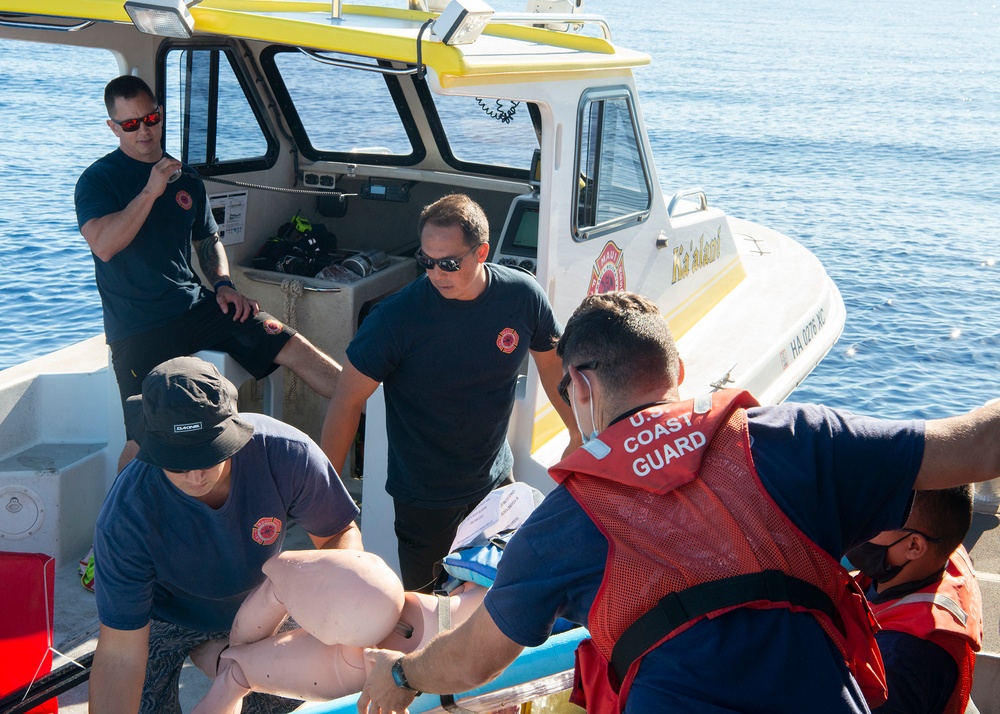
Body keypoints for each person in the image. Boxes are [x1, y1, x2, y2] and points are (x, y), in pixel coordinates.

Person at [359, 290, 1000, 714]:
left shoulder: (564, 520)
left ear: (580, 385)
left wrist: (401, 676)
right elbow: (974, 447)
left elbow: (472, 660)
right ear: (677, 374)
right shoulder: (792, 438)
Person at [75, 75, 341, 471]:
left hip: (196, 307)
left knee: (295, 347)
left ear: (160, 115)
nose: (143, 130)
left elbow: (208, 240)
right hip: (138, 327)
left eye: (150, 118)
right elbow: (105, 244)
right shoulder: (98, 180)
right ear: (113, 127)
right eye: (130, 124)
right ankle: (120, 530)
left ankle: (385, 417)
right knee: (144, 441)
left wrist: (223, 283)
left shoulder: (187, 180)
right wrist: (151, 190)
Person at [321, 193, 581, 591]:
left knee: (505, 591)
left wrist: (576, 433)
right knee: (430, 608)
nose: (436, 273)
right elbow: (347, 402)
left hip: (496, 481)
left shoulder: (522, 296)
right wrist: (328, 501)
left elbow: (551, 366)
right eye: (425, 261)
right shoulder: (394, 319)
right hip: (424, 500)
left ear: (482, 252)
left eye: (448, 263)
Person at [89, 356, 362, 714]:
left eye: (208, 457)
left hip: (262, 604)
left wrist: (344, 616)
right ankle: (214, 652)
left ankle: (222, 654)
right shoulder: (126, 515)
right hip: (161, 617)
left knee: (297, 695)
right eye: (177, 463)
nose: (195, 477)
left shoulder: (286, 454)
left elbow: (337, 536)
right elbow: (120, 654)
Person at [188, 549, 487, 714]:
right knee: (238, 673)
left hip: (402, 619)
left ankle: (226, 657)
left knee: (237, 670)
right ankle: (227, 658)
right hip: (397, 659)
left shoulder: (504, 568)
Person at [849, 487, 983, 714]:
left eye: (878, 519)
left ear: (914, 546)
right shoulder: (947, 553)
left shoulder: (896, 662)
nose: (862, 523)